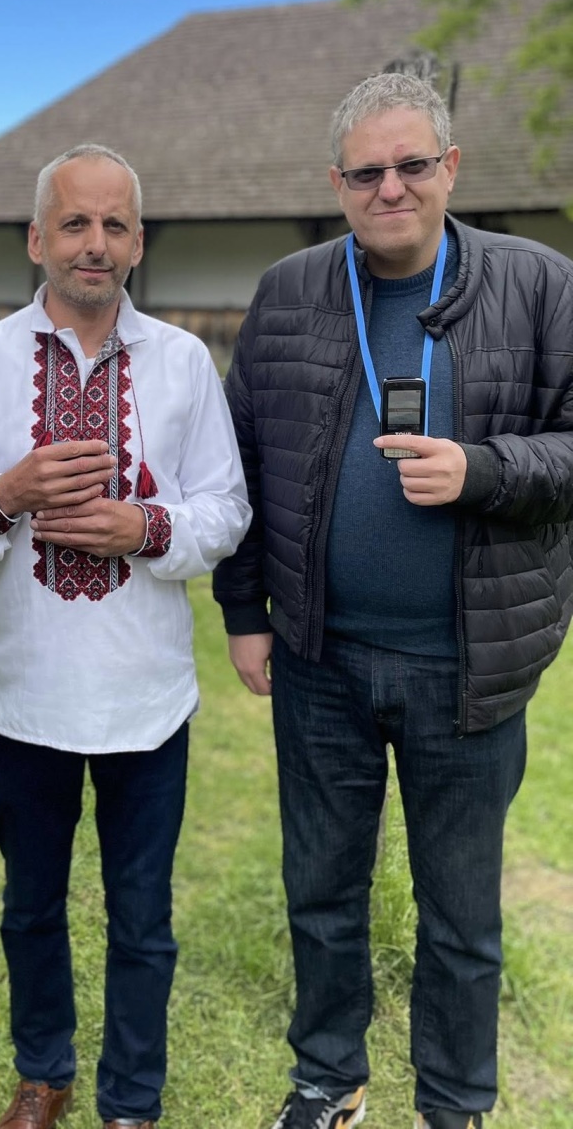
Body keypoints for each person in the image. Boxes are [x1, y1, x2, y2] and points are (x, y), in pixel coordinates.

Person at [212, 73, 573, 1129]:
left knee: (459, 913)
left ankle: (454, 1101)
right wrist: (243, 611)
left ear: (450, 167)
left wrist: (485, 470)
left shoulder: (539, 285)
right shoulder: (290, 291)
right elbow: (243, 459)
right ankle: (329, 1078)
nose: (391, 188)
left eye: (412, 165)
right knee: (323, 891)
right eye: (366, 172)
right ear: (337, 184)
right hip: (319, 660)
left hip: (468, 664)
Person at [0, 145, 251, 1129]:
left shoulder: (185, 362)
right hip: (25, 695)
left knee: (142, 918)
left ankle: (131, 1098)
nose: (95, 243)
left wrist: (144, 528)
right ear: (36, 238)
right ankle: (44, 1072)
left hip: (146, 699)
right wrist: (3, 494)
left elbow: (228, 509)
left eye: (115, 225)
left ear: (139, 243)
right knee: (29, 908)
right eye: (75, 222)